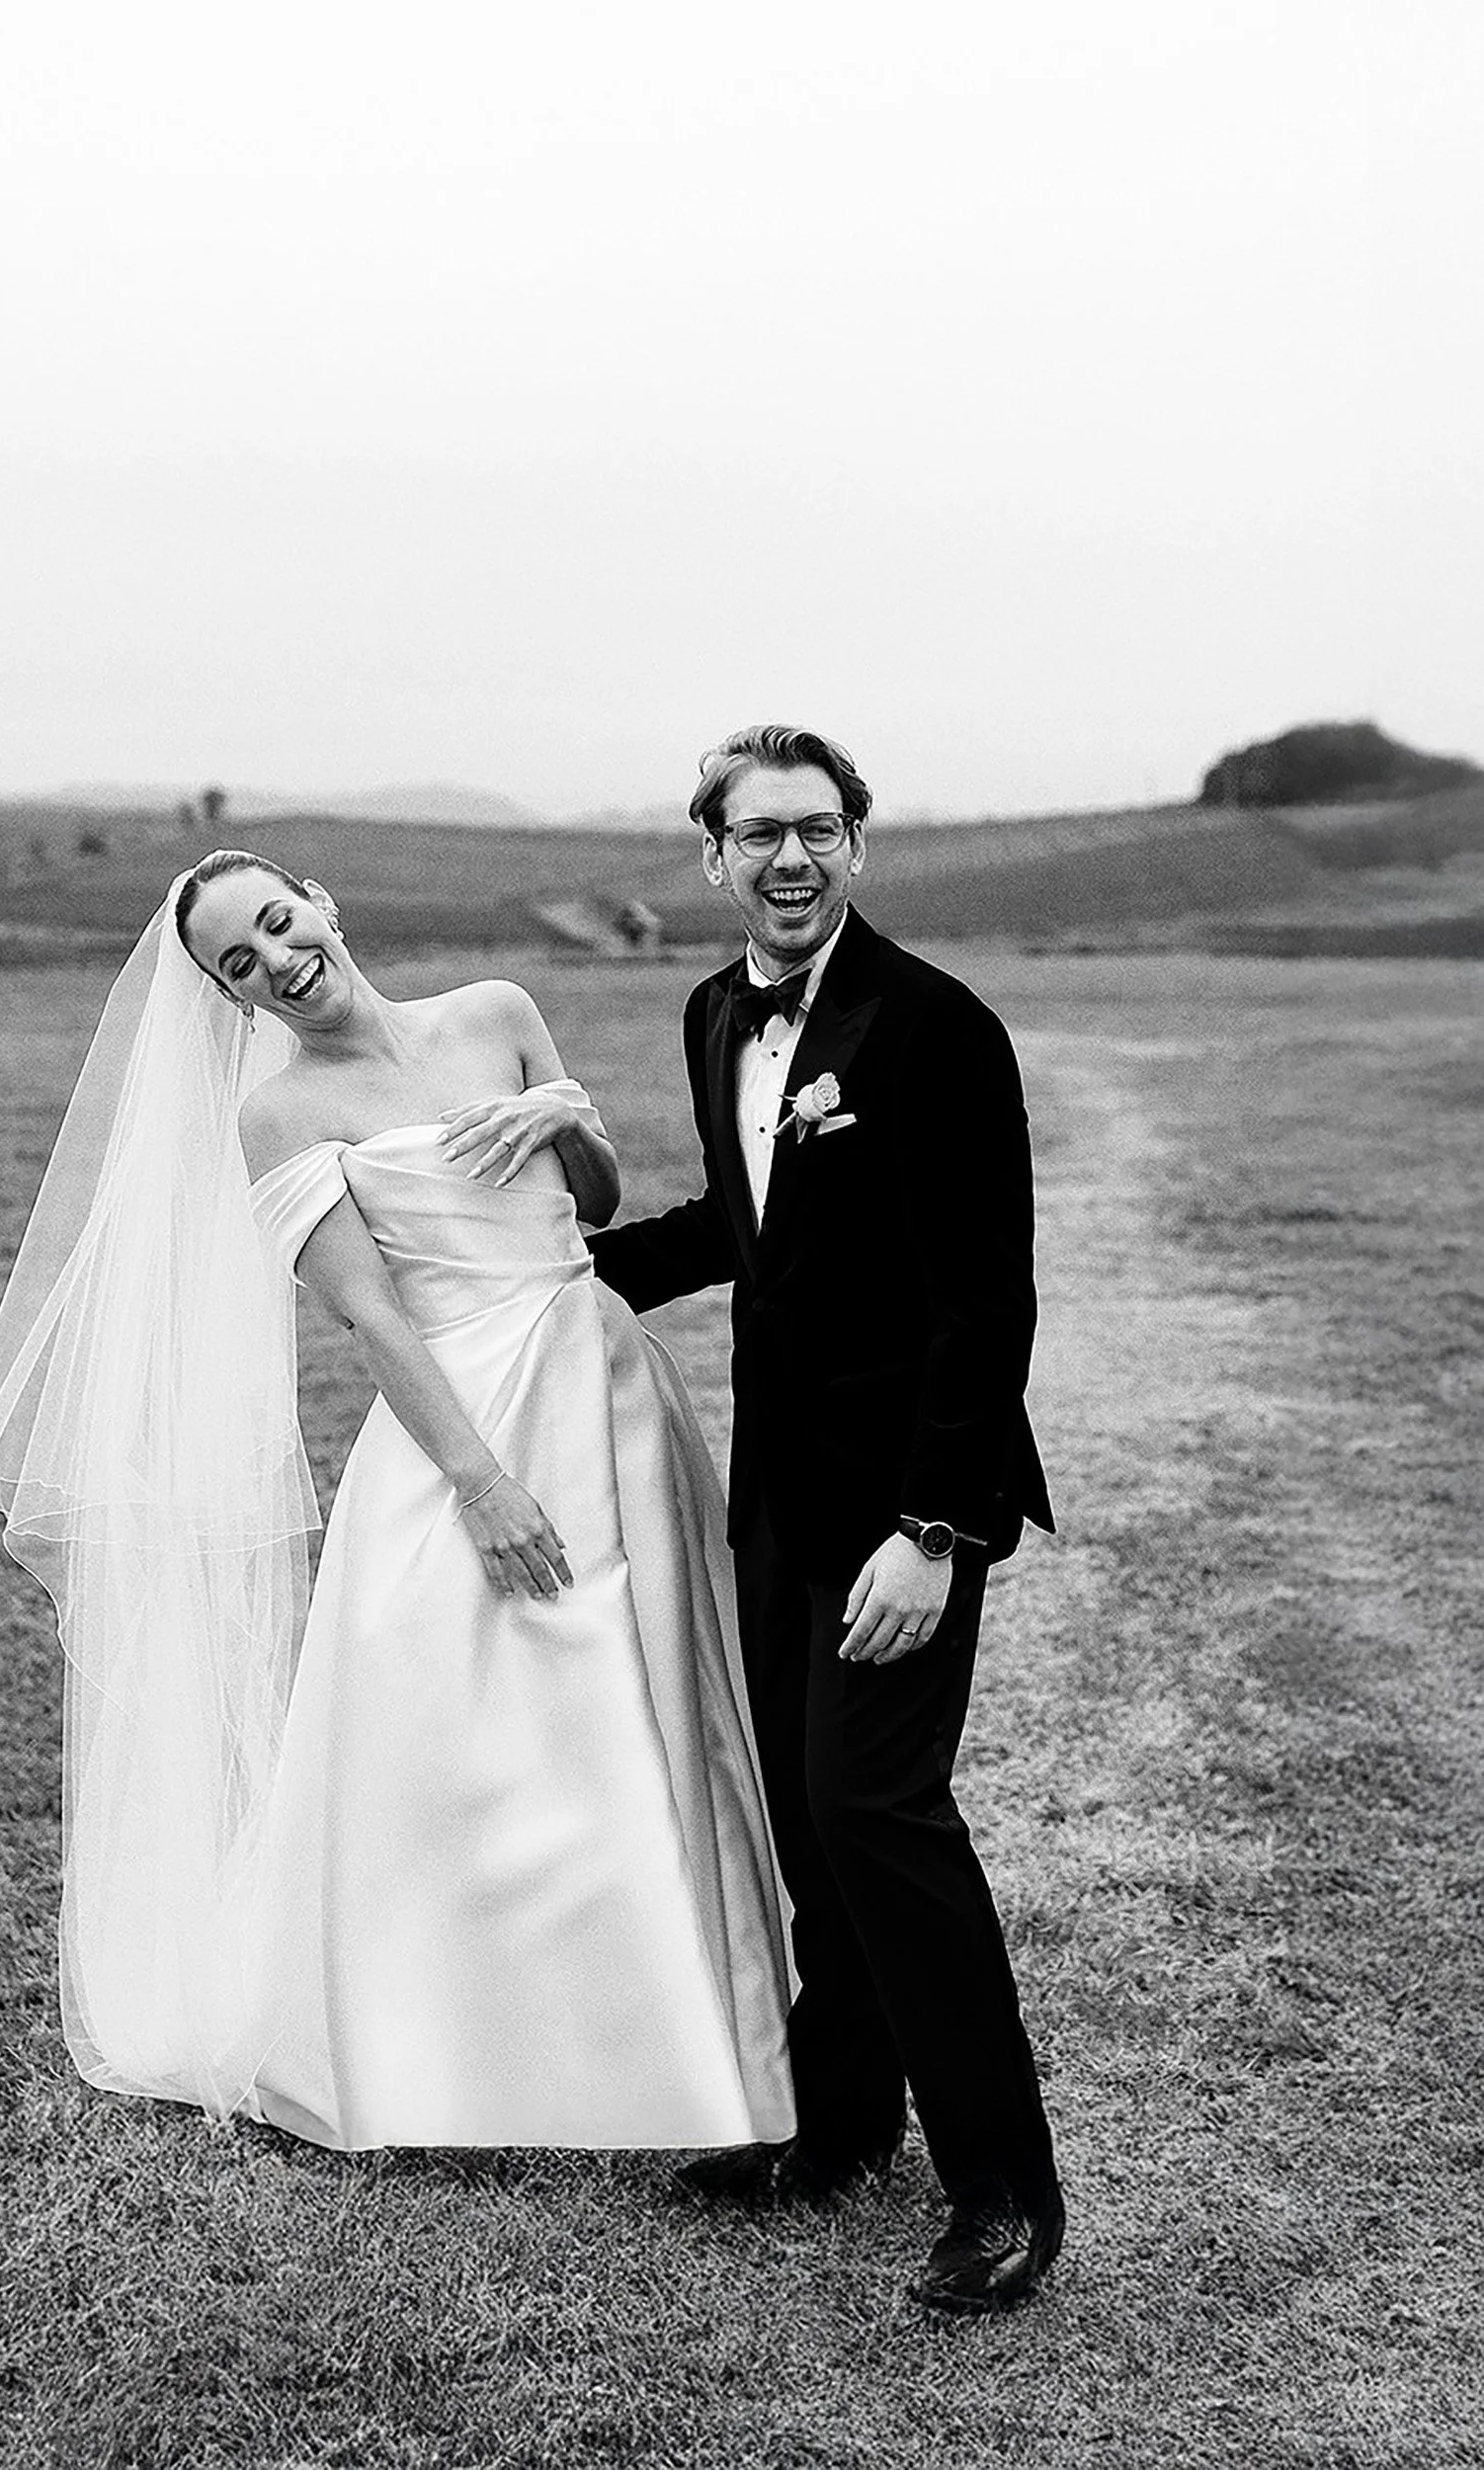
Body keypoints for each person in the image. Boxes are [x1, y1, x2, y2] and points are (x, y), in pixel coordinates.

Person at [0, 850, 792, 2152]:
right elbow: (369, 1316)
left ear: (322, 906)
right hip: (464, 1422)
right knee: (494, 1731)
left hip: (612, 1387)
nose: (278, 959)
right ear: (233, 999)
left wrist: (563, 1112)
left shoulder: (496, 1010)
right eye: (241, 961)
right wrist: (483, 1484)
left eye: (279, 922)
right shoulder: (278, 1114)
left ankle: (691, 2022)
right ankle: (475, 2042)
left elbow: (589, 1204)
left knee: (654, 1689)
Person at [588, 724, 1064, 2314]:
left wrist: (935, 1533)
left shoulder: (934, 1027)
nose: (786, 859)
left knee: (879, 1815)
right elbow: (747, 1221)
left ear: (855, 845)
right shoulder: (712, 1008)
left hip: (901, 1513)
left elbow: (982, 1304)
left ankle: (1001, 2189)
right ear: (708, 854)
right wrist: (530, 1273)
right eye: (754, 833)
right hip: (776, 1497)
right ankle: (840, 2128)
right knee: (804, 1817)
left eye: (814, 830)